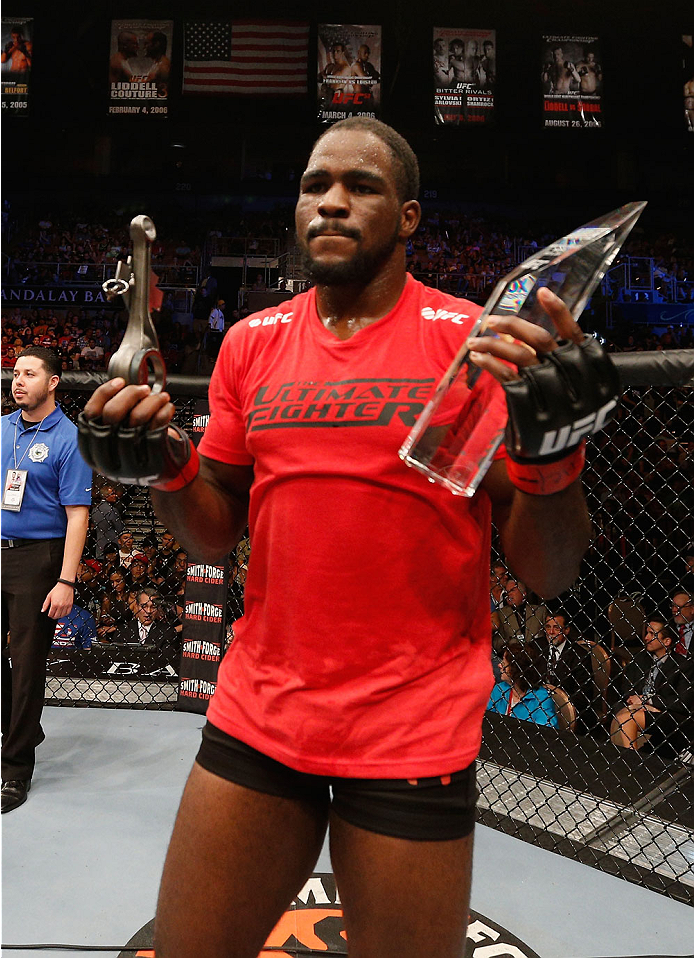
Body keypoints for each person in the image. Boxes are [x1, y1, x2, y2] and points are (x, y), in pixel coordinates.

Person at [80, 117, 619, 956]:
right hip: (261, 714)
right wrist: (170, 471)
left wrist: (553, 463)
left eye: (359, 186)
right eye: (313, 185)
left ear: (407, 216)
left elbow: (548, 575)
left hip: (413, 727)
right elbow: (216, 531)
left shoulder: (473, 346)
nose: (330, 201)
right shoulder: (249, 344)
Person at [1, 346, 91, 813]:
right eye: (16, 373)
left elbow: (78, 516)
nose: (18, 381)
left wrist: (66, 581)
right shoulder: (0, 430)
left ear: (52, 382)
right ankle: (23, 726)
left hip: (39, 559)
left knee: (27, 666)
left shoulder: (71, 439)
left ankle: (15, 769)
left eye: (29, 374)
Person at [610, 617, 693, 755]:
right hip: (636, 706)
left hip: (665, 713)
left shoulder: (683, 666)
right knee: (621, 709)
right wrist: (635, 700)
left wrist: (648, 701)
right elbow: (626, 687)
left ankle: (631, 759)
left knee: (627, 717)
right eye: (647, 633)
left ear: (667, 641)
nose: (647, 637)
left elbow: (682, 703)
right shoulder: (640, 658)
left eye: (652, 634)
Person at [534, 611, 597, 734]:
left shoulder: (580, 656)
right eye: (548, 627)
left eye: (556, 628)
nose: (551, 632)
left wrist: (557, 701)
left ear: (567, 630)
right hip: (536, 702)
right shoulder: (535, 647)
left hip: (567, 707)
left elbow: (583, 696)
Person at [487, 640, 558, 728]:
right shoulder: (499, 689)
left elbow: (546, 734)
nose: (499, 665)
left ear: (516, 669)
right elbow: (486, 721)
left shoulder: (541, 699)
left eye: (504, 663)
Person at [112, 588, 177, 649]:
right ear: (137, 606)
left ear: (158, 608)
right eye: (144, 606)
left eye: (153, 607)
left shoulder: (168, 632)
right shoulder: (122, 631)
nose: (148, 611)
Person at [671, 589, 693, 656]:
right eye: (673, 606)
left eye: (679, 607)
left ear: (692, 609)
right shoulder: (667, 628)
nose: (674, 610)